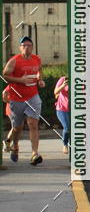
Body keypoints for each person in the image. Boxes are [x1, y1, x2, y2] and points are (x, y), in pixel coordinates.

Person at [2, 36, 45, 165]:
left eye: (29, 45)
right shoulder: (14, 61)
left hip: (33, 96)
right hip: (17, 98)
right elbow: (5, 76)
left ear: (32, 47)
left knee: (33, 124)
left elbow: (40, 71)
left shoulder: (37, 59)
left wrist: (40, 80)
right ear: (20, 48)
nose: (27, 47)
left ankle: (34, 153)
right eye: (24, 45)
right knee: (17, 127)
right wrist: (20, 80)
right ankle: (15, 147)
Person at [54, 75, 70, 154]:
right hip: (62, 108)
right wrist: (64, 85)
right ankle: (65, 144)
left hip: (74, 110)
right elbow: (55, 92)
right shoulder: (63, 79)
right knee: (67, 128)